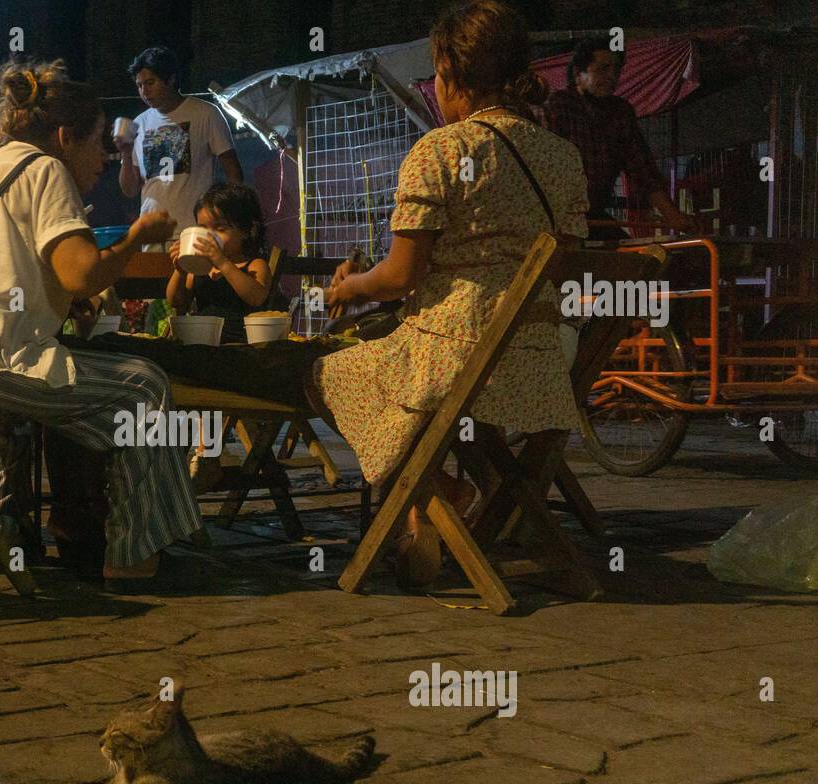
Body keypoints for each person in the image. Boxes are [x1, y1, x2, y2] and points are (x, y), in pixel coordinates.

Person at [306, 0, 589, 586]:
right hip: (538, 364)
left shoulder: (441, 151)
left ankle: (443, 494)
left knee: (324, 373)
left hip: (458, 357)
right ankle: (454, 504)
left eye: (438, 71)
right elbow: (564, 261)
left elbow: (399, 277)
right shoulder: (562, 158)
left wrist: (348, 287)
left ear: (454, 73)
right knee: (422, 399)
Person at [0, 59, 201, 585]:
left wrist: (59, 296)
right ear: (64, 136)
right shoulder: (46, 169)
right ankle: (132, 555)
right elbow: (82, 273)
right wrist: (134, 238)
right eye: (98, 141)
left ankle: (90, 533)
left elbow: (8, 268)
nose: (105, 156)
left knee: (92, 383)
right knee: (143, 386)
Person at [543, 38, 697, 240]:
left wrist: (672, 215)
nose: (612, 76)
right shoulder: (558, 106)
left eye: (616, 70)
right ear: (577, 74)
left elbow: (641, 167)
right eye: (603, 68)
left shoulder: (620, 112)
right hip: (555, 216)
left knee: (630, 260)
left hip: (593, 214)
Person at [115, 46, 243, 238]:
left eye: (150, 82)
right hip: (151, 231)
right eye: (139, 85)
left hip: (193, 230)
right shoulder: (139, 123)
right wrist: (125, 152)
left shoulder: (205, 113)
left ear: (171, 79)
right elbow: (130, 190)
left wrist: (222, 218)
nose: (144, 91)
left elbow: (233, 171)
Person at [166, 182, 273, 343]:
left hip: (241, 344)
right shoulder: (200, 269)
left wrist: (222, 262)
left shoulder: (254, 265)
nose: (209, 236)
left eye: (220, 228)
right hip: (202, 342)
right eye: (203, 228)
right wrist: (180, 270)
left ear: (245, 230)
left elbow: (256, 297)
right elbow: (176, 302)